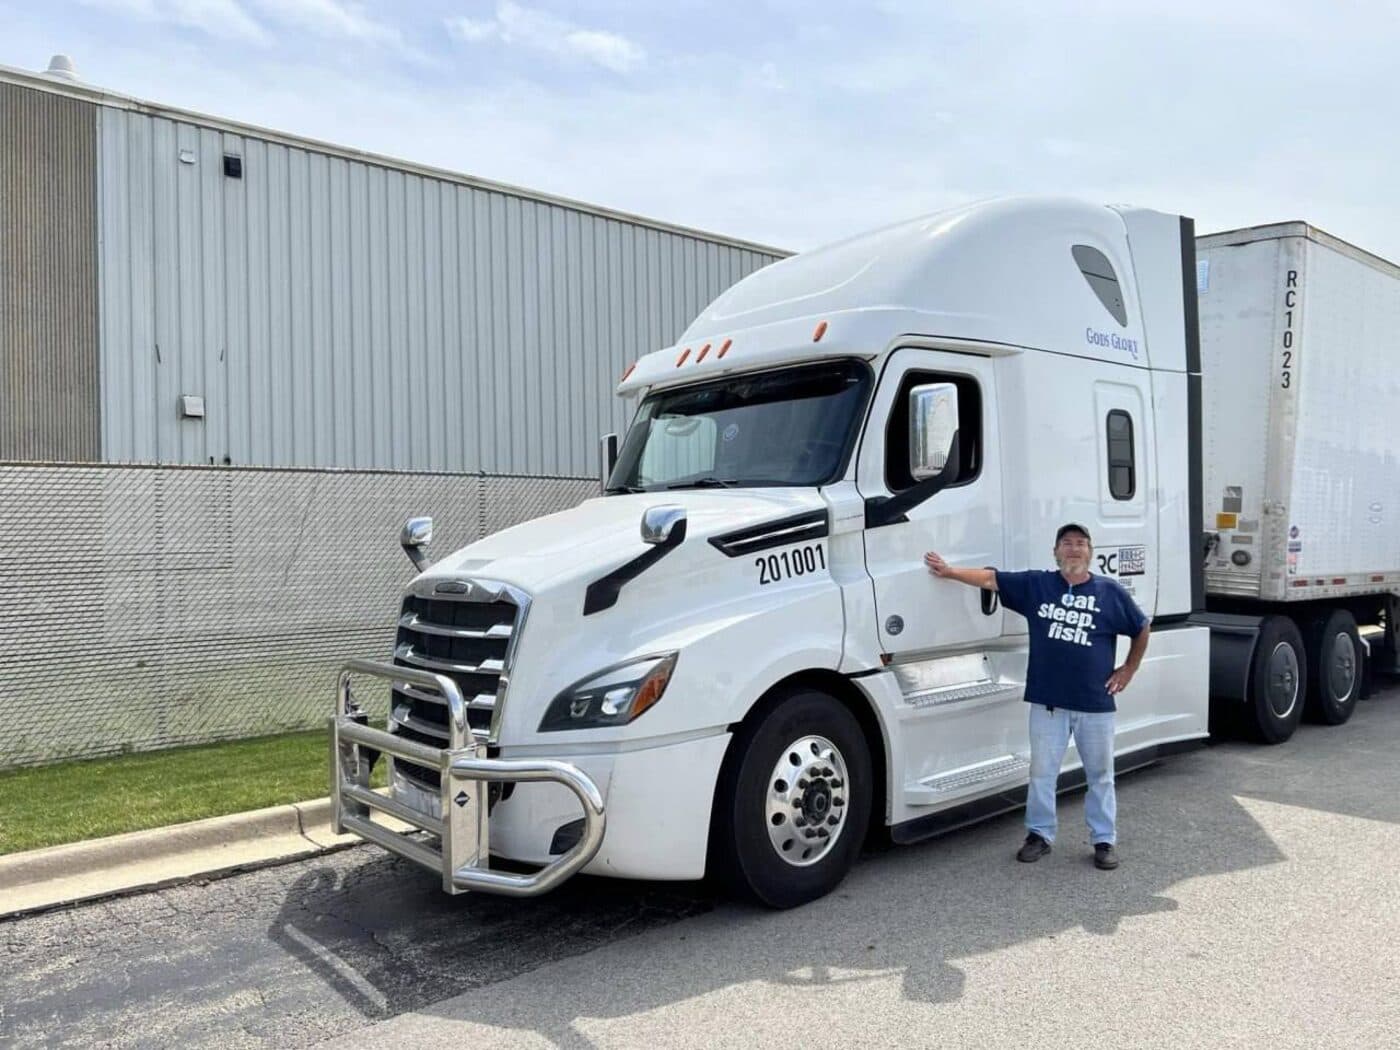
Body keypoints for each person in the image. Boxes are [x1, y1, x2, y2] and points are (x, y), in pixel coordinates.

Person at [923, 524, 1149, 870]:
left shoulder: (1109, 592)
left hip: (1095, 706)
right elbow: (991, 579)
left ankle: (1103, 841)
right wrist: (951, 571)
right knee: (1042, 773)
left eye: (1080, 544)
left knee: (1100, 775)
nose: (1074, 549)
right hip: (1048, 705)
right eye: (1067, 544)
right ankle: (1039, 835)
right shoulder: (1037, 586)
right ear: (1055, 552)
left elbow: (1140, 627)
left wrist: (1128, 669)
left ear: (1090, 553)